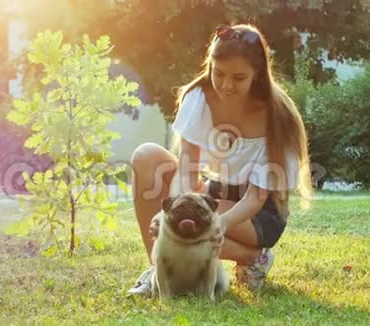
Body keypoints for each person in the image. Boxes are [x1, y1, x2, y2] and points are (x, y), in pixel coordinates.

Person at [128, 23, 312, 294]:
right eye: (219, 73)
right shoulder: (198, 97)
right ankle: (159, 270)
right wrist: (167, 213)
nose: (226, 85)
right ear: (210, 66)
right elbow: (188, 170)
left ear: (257, 75)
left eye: (239, 78)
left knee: (207, 216)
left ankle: (254, 258)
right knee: (146, 156)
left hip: (260, 211)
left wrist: (218, 224)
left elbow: (256, 198)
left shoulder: (278, 117)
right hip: (214, 192)